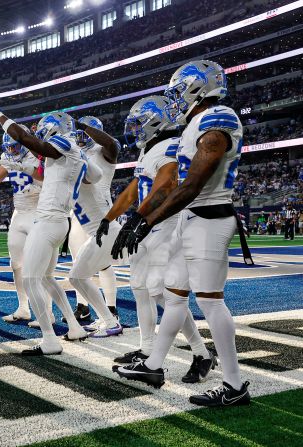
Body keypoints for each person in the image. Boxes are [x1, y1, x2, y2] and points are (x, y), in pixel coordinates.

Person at [113, 60, 251, 407]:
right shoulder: (194, 124)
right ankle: (153, 366)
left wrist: (145, 221)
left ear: (196, 88)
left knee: (209, 301)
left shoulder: (218, 120)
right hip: (191, 219)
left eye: (178, 90)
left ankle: (234, 386)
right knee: (172, 295)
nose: (173, 98)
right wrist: (139, 219)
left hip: (209, 218)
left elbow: (190, 186)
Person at [101, 96, 214, 382]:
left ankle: (200, 352)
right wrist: (109, 218)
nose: (135, 129)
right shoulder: (149, 150)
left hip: (164, 223)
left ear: (156, 121)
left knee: (161, 290)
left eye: (139, 123)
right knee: (140, 286)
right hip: (145, 224)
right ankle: (147, 349)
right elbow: (133, 190)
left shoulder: (169, 146)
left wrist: (138, 219)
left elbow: (166, 186)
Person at [0, 97, 101, 355]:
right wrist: (26, 165)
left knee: (31, 278)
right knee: (46, 278)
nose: (41, 135)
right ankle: (74, 326)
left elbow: (27, 140)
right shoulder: (76, 153)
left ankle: (49, 339)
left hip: (47, 220)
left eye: (45, 131)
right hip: (60, 221)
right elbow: (96, 176)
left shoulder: (62, 143)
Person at [66, 117, 123, 337]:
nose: (80, 139)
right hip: (87, 222)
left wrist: (84, 127)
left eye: (84, 135)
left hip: (102, 221)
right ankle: (97, 315)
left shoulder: (103, 150)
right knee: (78, 269)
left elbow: (111, 145)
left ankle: (111, 314)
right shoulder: (76, 153)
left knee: (103, 266)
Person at [0, 128, 44, 324]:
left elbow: (47, 180)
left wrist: (26, 168)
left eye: (15, 146)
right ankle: (23, 307)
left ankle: (46, 313)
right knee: (16, 264)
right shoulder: (9, 156)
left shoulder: (38, 154)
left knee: (38, 267)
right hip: (18, 213)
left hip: (37, 211)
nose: (12, 151)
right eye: (8, 148)